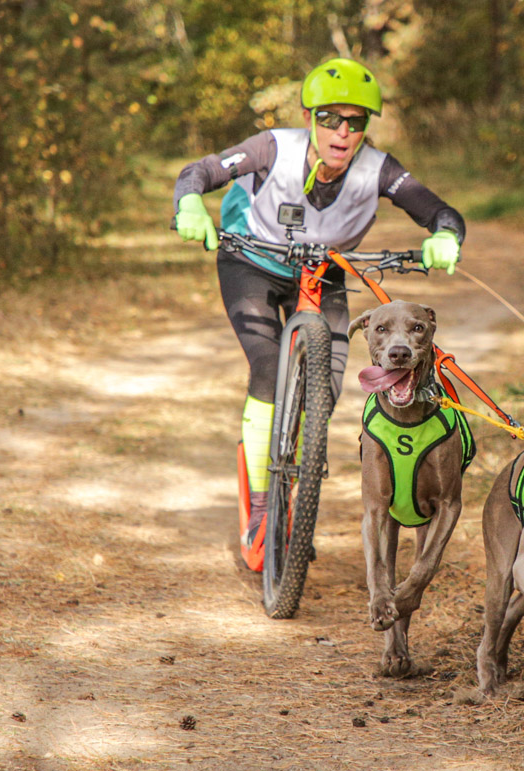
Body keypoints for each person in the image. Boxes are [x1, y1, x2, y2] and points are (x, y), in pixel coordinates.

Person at [172, 57, 465, 570]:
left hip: (323, 272)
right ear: (310, 117)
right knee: (267, 367)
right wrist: (190, 204)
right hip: (251, 263)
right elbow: (200, 171)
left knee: (325, 391)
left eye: (355, 122)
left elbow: (438, 209)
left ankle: (301, 493)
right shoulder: (273, 147)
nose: (342, 131)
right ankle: (264, 506)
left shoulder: (378, 169)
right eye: (331, 118)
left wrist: (444, 235)